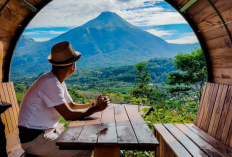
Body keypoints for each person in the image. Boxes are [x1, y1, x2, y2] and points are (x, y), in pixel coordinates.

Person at [18, 41, 110, 157]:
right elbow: (68, 115)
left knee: (84, 138)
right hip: (35, 140)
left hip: (46, 134)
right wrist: (96, 108)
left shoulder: (55, 81)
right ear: (73, 66)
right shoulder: (50, 83)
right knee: (84, 149)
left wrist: (93, 105)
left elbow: (71, 105)